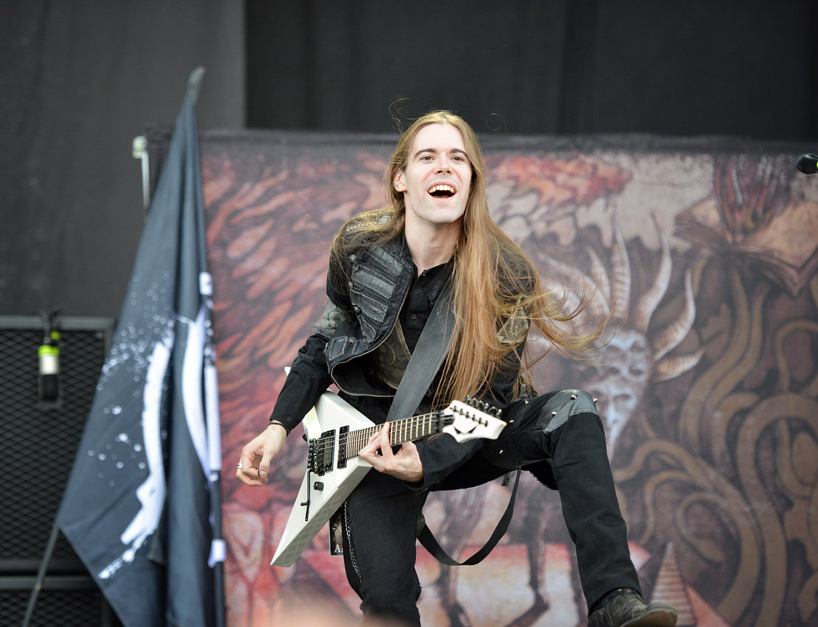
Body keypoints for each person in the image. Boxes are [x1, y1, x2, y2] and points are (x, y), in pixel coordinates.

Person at [236, 110, 677, 627]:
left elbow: (493, 399)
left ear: (471, 182)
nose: (443, 167)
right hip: (374, 442)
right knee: (387, 602)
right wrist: (277, 426)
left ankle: (614, 601)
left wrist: (428, 461)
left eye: (457, 158)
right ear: (401, 180)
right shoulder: (358, 250)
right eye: (427, 157)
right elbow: (322, 343)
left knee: (572, 411)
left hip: (468, 432)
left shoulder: (505, 274)